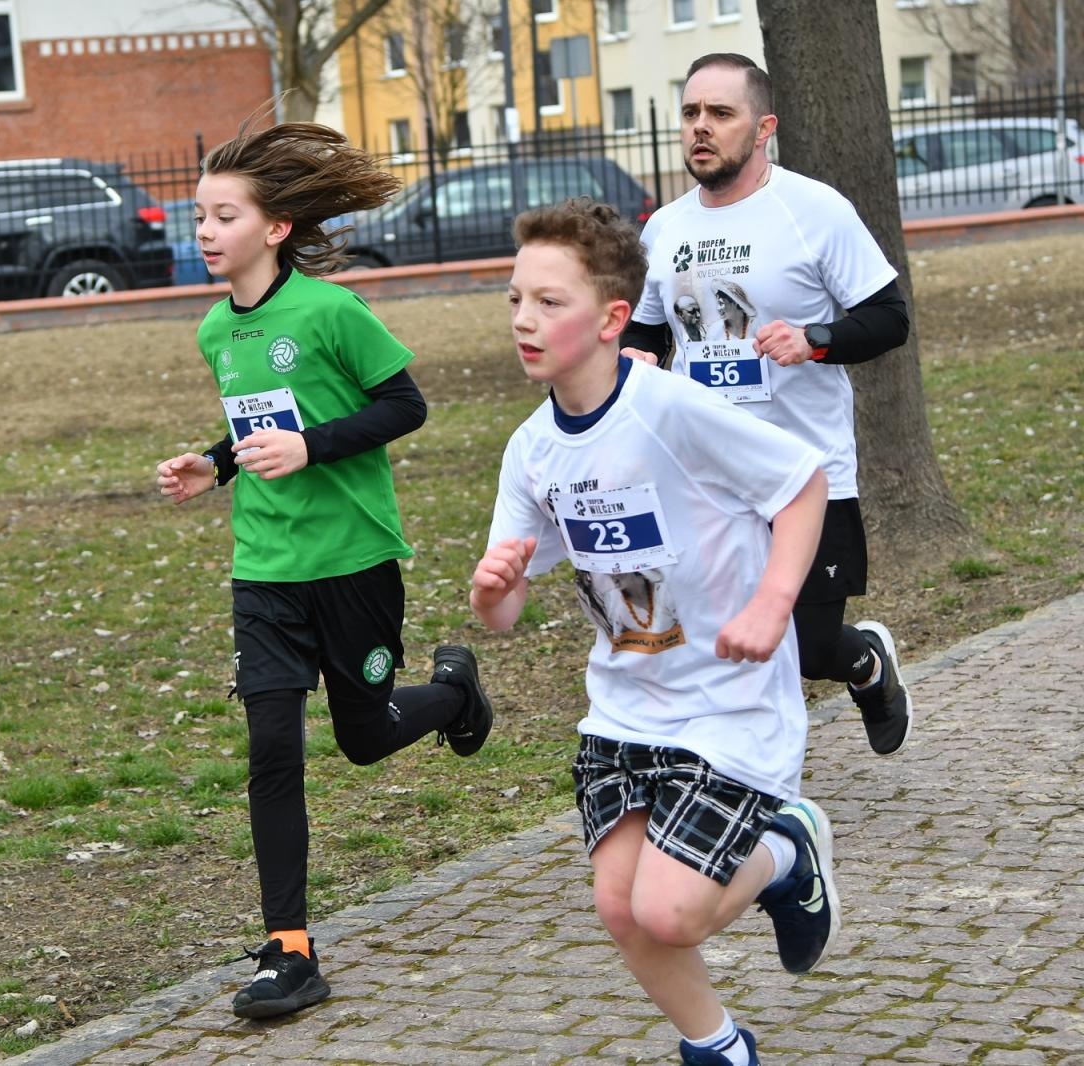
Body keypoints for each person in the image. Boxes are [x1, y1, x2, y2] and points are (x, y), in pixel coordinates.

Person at [472, 198, 841, 1066]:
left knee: (670, 909)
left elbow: (801, 483)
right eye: (515, 299)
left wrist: (773, 603)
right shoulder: (530, 451)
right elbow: (506, 609)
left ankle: (787, 851)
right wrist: (495, 591)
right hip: (625, 706)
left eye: (549, 302)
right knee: (619, 906)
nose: (525, 319)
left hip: (727, 704)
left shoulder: (669, 410)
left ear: (609, 319)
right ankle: (717, 1046)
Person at [154, 119, 494, 1021]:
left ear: (273, 229)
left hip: (354, 563)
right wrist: (215, 462)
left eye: (223, 215)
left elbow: (403, 406)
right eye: (198, 215)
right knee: (272, 746)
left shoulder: (332, 311)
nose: (204, 230)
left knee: (366, 735)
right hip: (264, 569)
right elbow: (261, 420)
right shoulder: (214, 330)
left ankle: (455, 694)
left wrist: (310, 450)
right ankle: (290, 949)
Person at [620, 53, 914, 759]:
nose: (701, 128)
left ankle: (866, 663)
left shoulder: (814, 211)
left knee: (810, 646)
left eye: (720, 113)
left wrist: (816, 339)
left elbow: (888, 318)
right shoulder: (664, 228)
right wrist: (636, 356)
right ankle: (739, 771)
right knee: (713, 633)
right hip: (703, 473)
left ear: (764, 127)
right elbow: (647, 322)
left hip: (804, 471)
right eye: (691, 113)